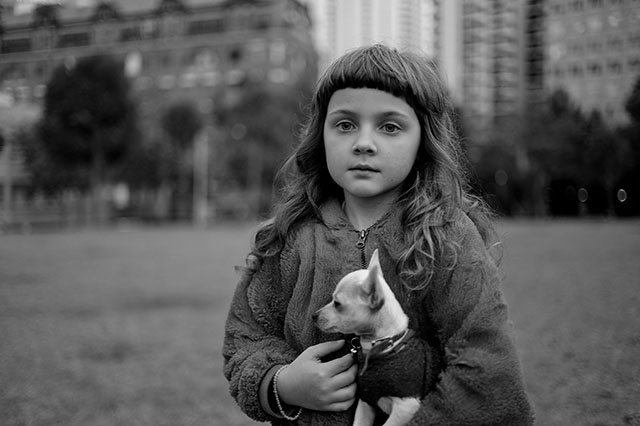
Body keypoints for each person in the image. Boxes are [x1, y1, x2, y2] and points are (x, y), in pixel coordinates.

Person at [223, 44, 534, 425]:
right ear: (320, 135)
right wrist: (281, 384)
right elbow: (245, 337)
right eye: (345, 124)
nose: (363, 142)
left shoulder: (448, 238)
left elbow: (488, 369)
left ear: (423, 137)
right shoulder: (289, 236)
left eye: (389, 126)